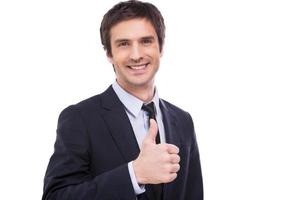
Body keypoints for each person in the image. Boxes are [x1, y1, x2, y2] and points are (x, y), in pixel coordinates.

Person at [42, 0, 203, 199]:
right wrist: (134, 175)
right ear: (109, 53)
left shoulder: (183, 120)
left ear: (160, 48)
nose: (136, 55)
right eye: (124, 44)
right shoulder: (79, 118)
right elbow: (55, 197)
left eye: (146, 41)